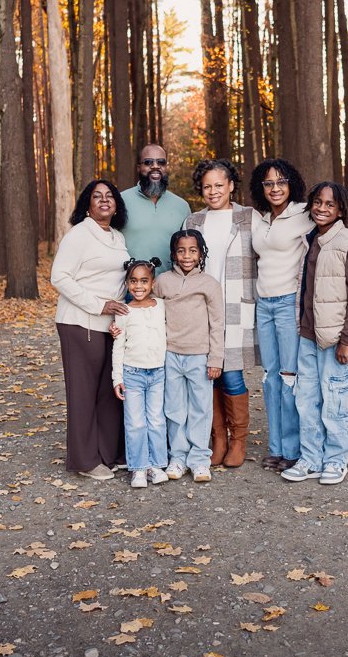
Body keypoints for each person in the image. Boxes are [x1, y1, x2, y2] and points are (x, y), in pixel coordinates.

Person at [250, 158, 348, 472]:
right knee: (271, 379)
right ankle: (279, 448)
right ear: (260, 188)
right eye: (268, 183)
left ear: (291, 184)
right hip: (264, 305)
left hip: (290, 305)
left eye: (281, 182)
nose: (275, 188)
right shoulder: (258, 219)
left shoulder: (302, 214)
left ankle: (295, 451)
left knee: (292, 381)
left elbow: (341, 232)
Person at [282, 182, 348, 486]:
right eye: (318, 202)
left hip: (335, 341)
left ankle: (335, 459)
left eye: (330, 204)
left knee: (336, 401)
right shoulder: (310, 240)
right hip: (307, 336)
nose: (322, 208)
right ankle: (311, 458)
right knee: (307, 400)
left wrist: (346, 341)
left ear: (341, 209)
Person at [50, 180, 131, 481]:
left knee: (107, 392)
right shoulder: (79, 235)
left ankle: (106, 453)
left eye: (110, 196)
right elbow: (59, 276)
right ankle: (85, 461)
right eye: (97, 196)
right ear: (87, 204)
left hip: (107, 326)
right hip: (79, 322)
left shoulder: (117, 237)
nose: (104, 200)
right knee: (83, 394)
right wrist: (99, 304)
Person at [182, 158, 257, 468]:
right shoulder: (193, 222)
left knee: (231, 373)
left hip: (237, 305)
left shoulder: (249, 218)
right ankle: (219, 438)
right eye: (207, 186)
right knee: (206, 374)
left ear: (231, 186)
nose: (213, 191)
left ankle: (238, 440)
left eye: (219, 185)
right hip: (201, 310)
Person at [154, 230, 224, 483]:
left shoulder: (209, 284)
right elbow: (152, 316)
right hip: (170, 354)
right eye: (181, 250)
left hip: (200, 356)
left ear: (201, 253)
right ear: (173, 253)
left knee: (200, 409)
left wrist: (216, 359)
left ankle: (199, 460)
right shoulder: (162, 282)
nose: (186, 256)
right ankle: (178, 458)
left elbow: (217, 324)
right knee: (174, 408)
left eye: (192, 250)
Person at [111, 258, 168, 489]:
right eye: (133, 281)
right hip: (132, 373)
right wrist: (117, 378)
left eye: (144, 280)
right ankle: (138, 468)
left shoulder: (161, 305)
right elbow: (118, 346)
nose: (138, 286)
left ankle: (156, 465)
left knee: (155, 420)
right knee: (135, 422)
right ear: (127, 283)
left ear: (152, 282)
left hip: (158, 372)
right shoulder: (124, 311)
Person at [120, 143, 190, 275]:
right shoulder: (120, 200)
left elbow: (189, 249)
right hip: (130, 288)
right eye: (148, 162)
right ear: (139, 168)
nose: (155, 166)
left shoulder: (182, 206)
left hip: (170, 289)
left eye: (161, 162)